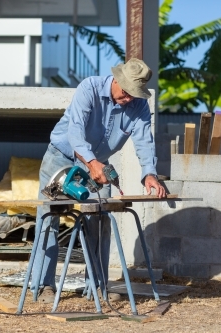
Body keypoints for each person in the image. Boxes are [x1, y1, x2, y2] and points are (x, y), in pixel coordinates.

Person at [31, 58, 167, 303]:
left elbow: (145, 141)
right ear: (116, 80)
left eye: (134, 95)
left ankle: (95, 287)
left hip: (97, 166)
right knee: (48, 220)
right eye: (125, 93)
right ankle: (43, 287)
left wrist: (149, 173)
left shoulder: (139, 106)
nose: (128, 99)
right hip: (61, 158)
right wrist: (92, 163)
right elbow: (75, 132)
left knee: (101, 221)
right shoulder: (89, 88)